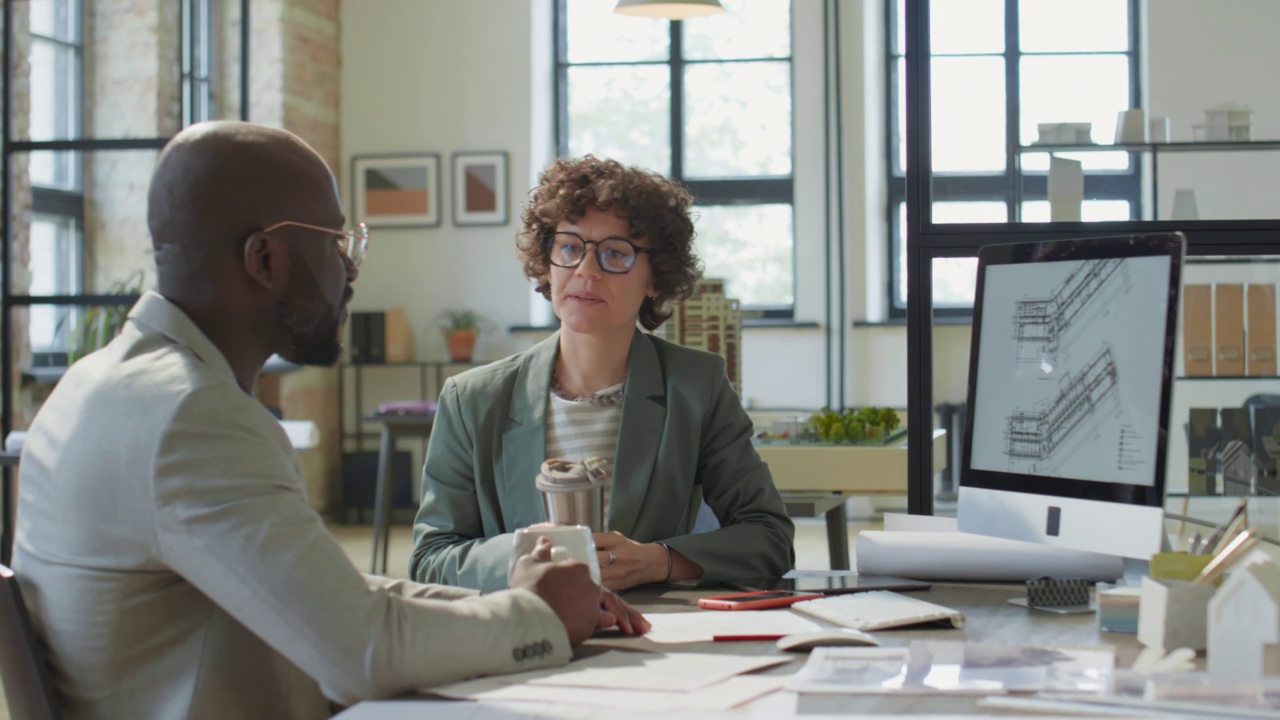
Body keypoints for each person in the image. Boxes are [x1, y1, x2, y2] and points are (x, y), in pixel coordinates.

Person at [11, 122, 645, 720]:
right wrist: (536, 616)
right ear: (264, 258)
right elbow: (361, 652)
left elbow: (327, 596)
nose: (350, 271)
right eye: (337, 243)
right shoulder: (191, 417)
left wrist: (512, 600)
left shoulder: (101, 383)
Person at [410, 156, 795, 593]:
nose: (586, 271)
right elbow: (431, 559)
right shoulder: (472, 399)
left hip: (654, 635)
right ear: (547, 262)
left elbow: (770, 537)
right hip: (523, 632)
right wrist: (526, 555)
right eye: (570, 247)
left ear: (656, 277)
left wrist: (660, 561)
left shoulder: (696, 386)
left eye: (616, 253)